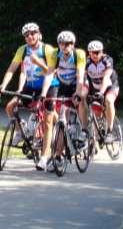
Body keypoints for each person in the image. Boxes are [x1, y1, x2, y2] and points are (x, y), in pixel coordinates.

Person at [0, 22, 58, 147]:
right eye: (26, 35)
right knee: (10, 107)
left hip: (48, 85)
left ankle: (60, 125)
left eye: (33, 33)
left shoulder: (47, 49)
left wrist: (38, 62)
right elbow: (12, 70)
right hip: (31, 86)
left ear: (39, 34)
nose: (30, 36)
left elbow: (51, 72)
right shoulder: (22, 50)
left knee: (48, 115)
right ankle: (20, 131)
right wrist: (3, 85)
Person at [40, 30, 87, 171]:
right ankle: (58, 156)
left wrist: (78, 93)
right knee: (62, 119)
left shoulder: (79, 54)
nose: (65, 46)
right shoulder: (55, 54)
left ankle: (84, 130)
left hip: (76, 83)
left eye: (68, 44)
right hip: (62, 84)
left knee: (81, 98)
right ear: (59, 44)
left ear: (73, 45)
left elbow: (80, 76)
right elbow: (49, 74)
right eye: (62, 43)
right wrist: (43, 93)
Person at [82, 40, 119, 143]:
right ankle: (97, 135)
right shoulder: (87, 62)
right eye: (93, 52)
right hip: (95, 87)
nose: (95, 54)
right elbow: (83, 78)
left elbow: (106, 77)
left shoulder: (107, 60)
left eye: (98, 52)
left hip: (110, 86)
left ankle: (110, 131)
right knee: (95, 110)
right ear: (89, 52)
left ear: (102, 51)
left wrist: (101, 92)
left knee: (108, 100)